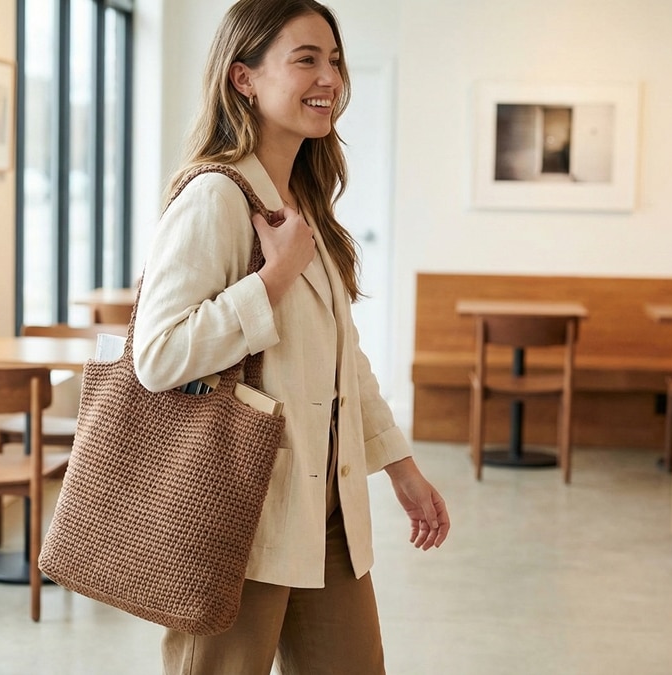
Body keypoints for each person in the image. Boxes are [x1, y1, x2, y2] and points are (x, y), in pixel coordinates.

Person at [131, 1, 450, 672]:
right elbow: (157, 356)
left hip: (326, 506)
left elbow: (343, 357)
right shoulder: (216, 197)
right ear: (243, 77)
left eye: (333, 60)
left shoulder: (302, 202)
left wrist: (401, 466)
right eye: (306, 60)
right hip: (239, 513)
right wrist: (272, 280)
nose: (329, 77)